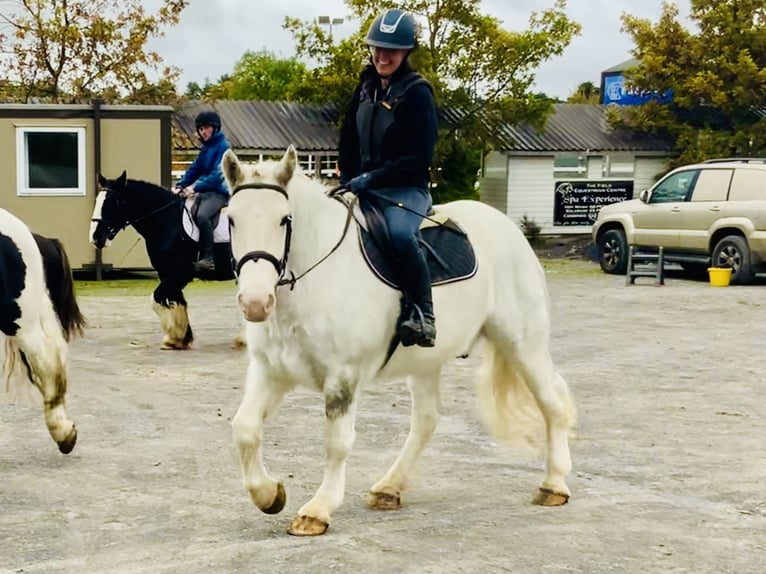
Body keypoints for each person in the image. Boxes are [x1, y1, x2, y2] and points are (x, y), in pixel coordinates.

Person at [337, 8, 439, 348]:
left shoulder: (418, 93)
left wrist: (373, 178)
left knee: (398, 234)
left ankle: (424, 313)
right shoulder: (364, 89)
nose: (382, 56)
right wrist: (350, 177)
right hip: (365, 186)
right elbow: (347, 142)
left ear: (406, 52)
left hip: (405, 188)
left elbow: (418, 158)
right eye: (377, 48)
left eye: (391, 50)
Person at [175, 110, 231, 272]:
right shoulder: (206, 148)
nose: (203, 132)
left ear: (215, 128)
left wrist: (194, 187)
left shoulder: (223, 147)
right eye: (201, 129)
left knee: (202, 215)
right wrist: (180, 185)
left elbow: (217, 174)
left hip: (220, 192)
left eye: (206, 128)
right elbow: (195, 168)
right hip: (207, 191)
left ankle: (208, 257)